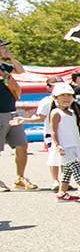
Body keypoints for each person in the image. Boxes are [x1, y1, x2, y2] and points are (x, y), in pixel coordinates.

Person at [45, 83, 80, 202]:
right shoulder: (56, 112)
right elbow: (53, 130)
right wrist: (57, 145)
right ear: (55, 98)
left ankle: (61, 193)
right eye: (62, 95)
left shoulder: (72, 113)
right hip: (63, 147)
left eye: (69, 95)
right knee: (76, 169)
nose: (66, 98)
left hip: (72, 146)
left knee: (67, 172)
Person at [0, 38, 40, 191]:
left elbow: (20, 70)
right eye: (2, 47)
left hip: (12, 112)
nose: (5, 49)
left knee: (22, 145)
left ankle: (19, 178)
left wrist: (11, 58)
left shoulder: (4, 67)